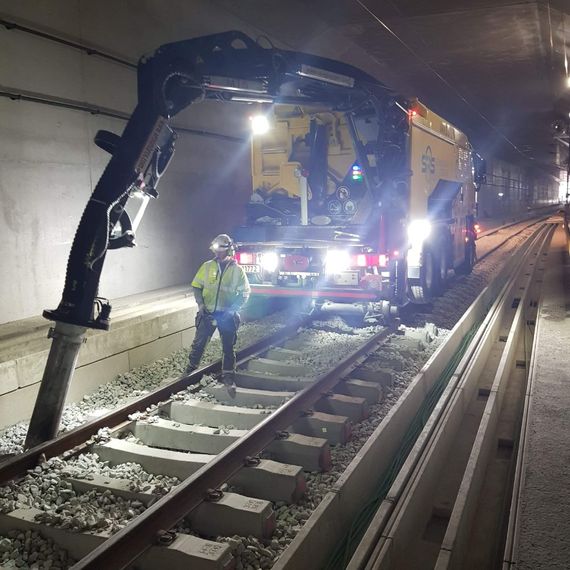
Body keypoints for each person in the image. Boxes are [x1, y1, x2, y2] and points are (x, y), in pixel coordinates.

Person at [185, 234, 250, 395]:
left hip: (226, 316)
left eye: (220, 250)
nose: (217, 253)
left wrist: (232, 309)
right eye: (216, 249)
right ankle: (189, 371)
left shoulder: (237, 271)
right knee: (199, 343)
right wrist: (200, 304)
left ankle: (228, 375)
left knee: (228, 347)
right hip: (207, 313)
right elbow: (196, 286)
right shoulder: (207, 266)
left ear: (228, 250)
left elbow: (244, 293)